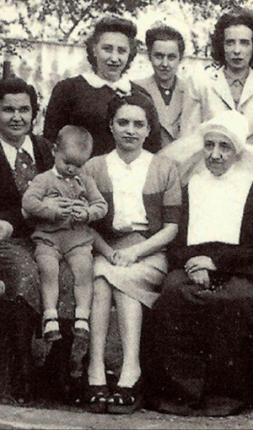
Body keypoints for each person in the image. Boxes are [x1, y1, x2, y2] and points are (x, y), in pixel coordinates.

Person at [145, 110, 253, 416]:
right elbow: (175, 239)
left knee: (239, 301)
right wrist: (195, 264)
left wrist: (216, 263)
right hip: (191, 265)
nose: (215, 154)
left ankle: (225, 394)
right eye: (209, 145)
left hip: (242, 270)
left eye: (224, 147)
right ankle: (181, 393)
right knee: (174, 296)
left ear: (238, 152)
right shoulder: (190, 184)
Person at [82, 93, 181, 414]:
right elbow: (86, 224)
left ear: (149, 129)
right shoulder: (94, 167)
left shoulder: (165, 168)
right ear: (110, 125)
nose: (130, 130)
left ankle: (130, 369)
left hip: (149, 251)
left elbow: (171, 228)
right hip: (107, 248)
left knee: (120, 282)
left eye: (139, 124)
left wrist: (136, 252)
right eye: (123, 122)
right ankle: (96, 369)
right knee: (100, 280)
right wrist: (109, 252)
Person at [0, 77, 73, 401]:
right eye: (8, 110)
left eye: (25, 109)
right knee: (26, 274)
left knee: (70, 274)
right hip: (0, 243)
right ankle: (21, 373)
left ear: (35, 113)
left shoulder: (46, 149)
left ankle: (57, 371)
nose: (17, 117)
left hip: (47, 238)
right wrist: (22, 214)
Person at [22, 126, 107, 375]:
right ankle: (50, 317)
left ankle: (82, 316)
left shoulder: (86, 181)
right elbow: (28, 202)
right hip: (48, 238)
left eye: (78, 165)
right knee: (48, 269)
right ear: (54, 151)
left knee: (84, 269)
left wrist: (88, 213)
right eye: (67, 162)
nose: (71, 169)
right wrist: (51, 210)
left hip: (76, 238)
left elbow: (101, 205)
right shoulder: (43, 179)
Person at [44, 16, 161, 156]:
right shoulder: (68, 90)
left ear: (130, 53)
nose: (114, 58)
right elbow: (50, 143)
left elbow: (152, 150)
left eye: (121, 51)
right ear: (94, 49)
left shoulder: (141, 97)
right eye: (107, 49)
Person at [180, 10, 253, 145]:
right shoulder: (201, 83)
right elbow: (188, 137)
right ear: (221, 46)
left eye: (244, 43)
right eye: (230, 43)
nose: (237, 50)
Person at [135, 25, 185, 147]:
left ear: (180, 58)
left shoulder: (191, 91)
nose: (165, 64)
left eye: (171, 57)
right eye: (159, 56)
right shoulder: (136, 89)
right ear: (149, 56)